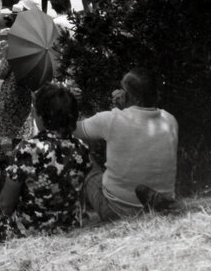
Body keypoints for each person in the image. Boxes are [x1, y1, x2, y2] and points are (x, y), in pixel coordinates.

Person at [74, 69, 178, 220]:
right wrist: (129, 106)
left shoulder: (110, 120)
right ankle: (154, 203)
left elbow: (69, 128)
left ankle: (77, 214)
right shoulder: (170, 120)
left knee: (83, 156)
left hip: (116, 211)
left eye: (124, 91)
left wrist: (71, 101)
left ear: (132, 96)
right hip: (161, 201)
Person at [0, 84, 91, 240]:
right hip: (70, 231)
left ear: (42, 116)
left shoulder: (28, 149)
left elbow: (5, 204)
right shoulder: (82, 148)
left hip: (28, 234)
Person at [0, 44, 34, 158]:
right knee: (19, 133)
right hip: (25, 97)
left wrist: (5, 55)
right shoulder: (36, 55)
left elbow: (1, 74)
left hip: (10, 97)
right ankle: (15, 165)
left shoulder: (15, 51)